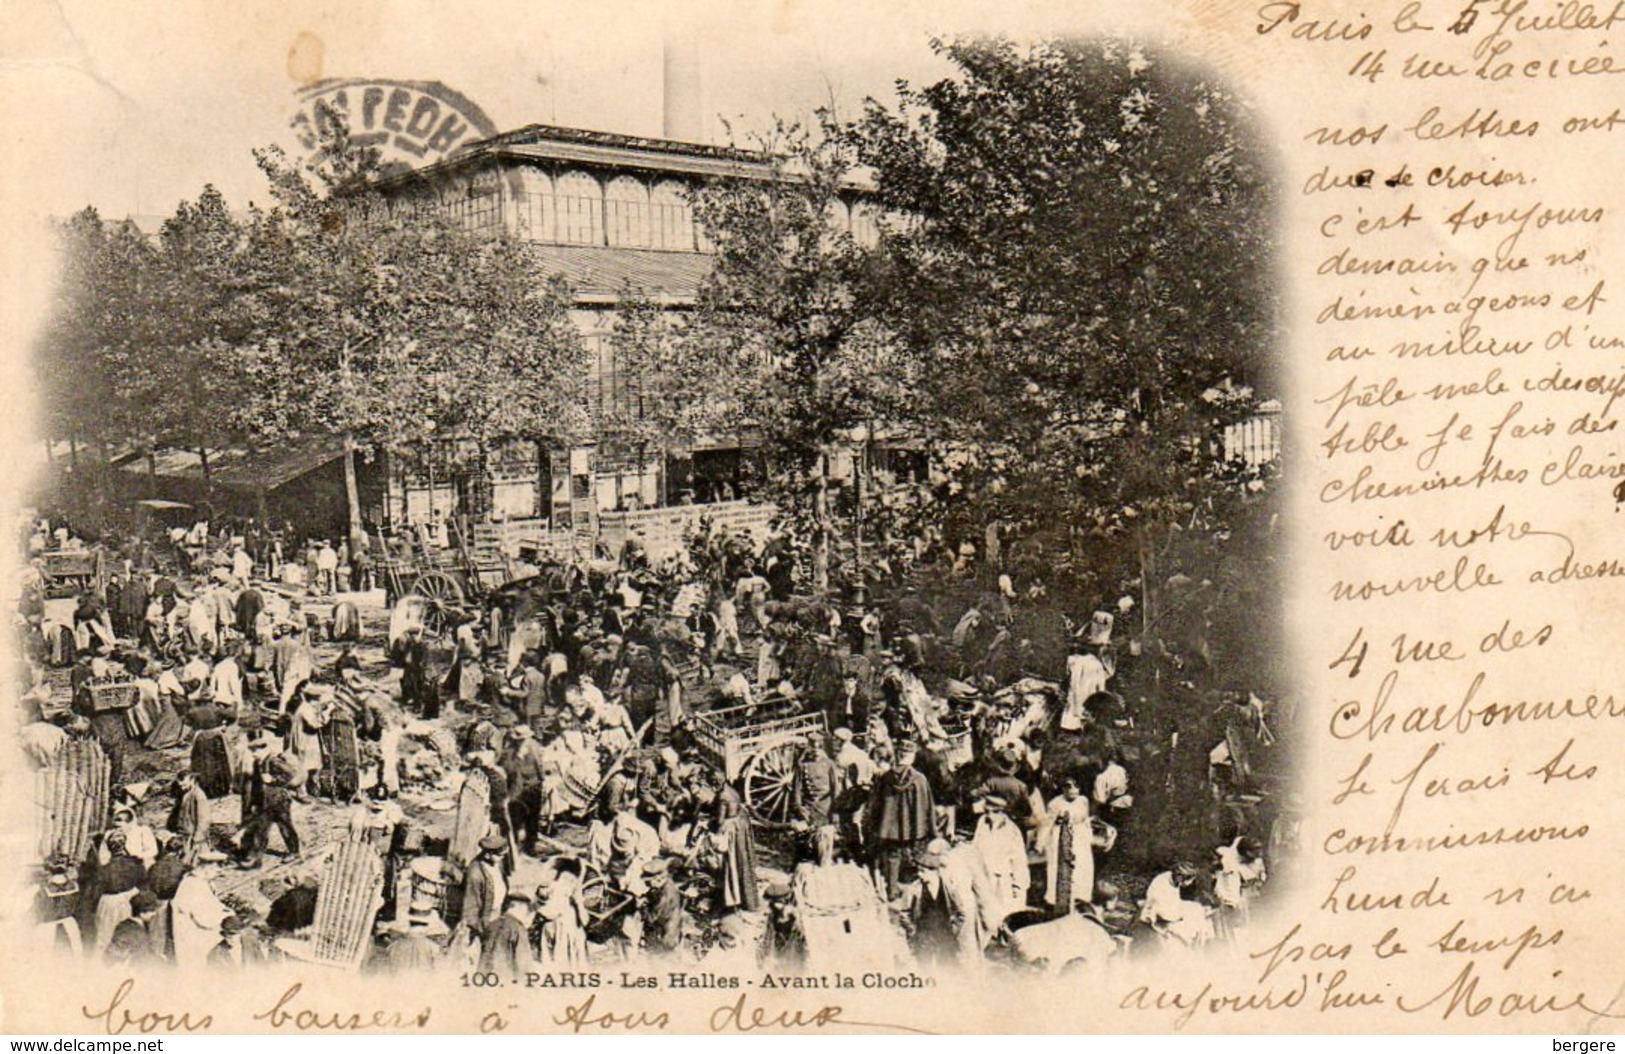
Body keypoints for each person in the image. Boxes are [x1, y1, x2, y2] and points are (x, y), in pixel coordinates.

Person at [864, 739, 936, 900]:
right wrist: (931, 827)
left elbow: (876, 803)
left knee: (893, 856)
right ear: (911, 757)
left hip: (889, 827)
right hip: (913, 826)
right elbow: (927, 805)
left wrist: (875, 824)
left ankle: (891, 890)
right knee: (916, 854)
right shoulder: (919, 779)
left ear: (898, 755)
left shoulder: (885, 777)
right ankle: (918, 894)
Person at [972, 795, 1030, 925]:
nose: (989, 815)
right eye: (987, 811)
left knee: (1005, 911)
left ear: (1002, 812)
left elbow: (1019, 860)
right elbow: (976, 847)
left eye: (994, 812)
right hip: (984, 876)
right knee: (985, 913)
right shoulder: (982, 823)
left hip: (1002, 878)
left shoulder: (1012, 830)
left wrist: (1020, 884)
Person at [1043, 776, 1096, 913]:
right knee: (1057, 866)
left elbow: (1086, 821)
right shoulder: (1055, 804)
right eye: (1068, 788)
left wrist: (1089, 837)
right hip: (1060, 836)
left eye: (1075, 788)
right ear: (1063, 790)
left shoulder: (1083, 801)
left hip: (1080, 837)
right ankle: (1055, 899)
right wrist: (1040, 843)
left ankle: (1080, 897)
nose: (1073, 791)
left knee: (1082, 866)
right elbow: (1047, 824)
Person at [236, 769, 300, 869]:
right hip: (264, 801)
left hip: (279, 800)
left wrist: (273, 779)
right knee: (261, 829)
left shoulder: (272, 759)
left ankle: (294, 851)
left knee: (285, 826)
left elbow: (291, 773)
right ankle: (255, 857)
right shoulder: (255, 763)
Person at [533, 857, 589, 968]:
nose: (566, 884)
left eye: (571, 881)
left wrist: (578, 902)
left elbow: (585, 921)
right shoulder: (553, 897)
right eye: (564, 880)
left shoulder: (572, 906)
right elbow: (545, 911)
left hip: (569, 933)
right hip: (557, 932)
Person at [460, 835, 508, 943]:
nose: (503, 858)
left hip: (497, 911)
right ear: (488, 854)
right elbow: (471, 905)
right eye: (500, 855)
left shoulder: (496, 863)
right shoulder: (475, 874)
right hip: (485, 917)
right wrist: (477, 927)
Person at [638, 858, 683, 958]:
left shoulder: (667, 895)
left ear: (660, 879)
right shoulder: (663, 885)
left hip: (665, 935)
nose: (647, 884)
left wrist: (642, 907)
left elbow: (653, 918)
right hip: (662, 927)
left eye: (648, 882)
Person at [480, 892, 534, 973]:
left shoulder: (491, 925)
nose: (525, 913)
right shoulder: (518, 928)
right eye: (526, 909)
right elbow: (523, 965)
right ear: (518, 907)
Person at [105, 891, 162, 967]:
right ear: (142, 913)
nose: (155, 914)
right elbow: (144, 958)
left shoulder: (124, 924)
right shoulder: (136, 932)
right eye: (152, 911)